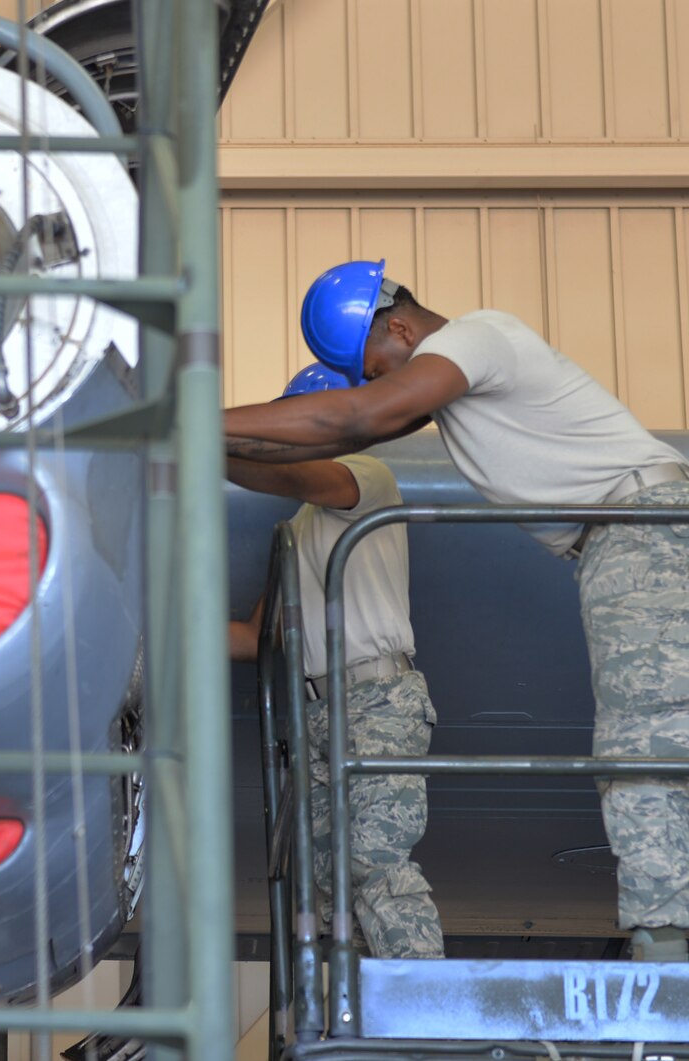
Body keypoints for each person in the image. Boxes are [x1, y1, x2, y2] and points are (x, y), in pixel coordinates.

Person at [223, 261, 689, 965]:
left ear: (400, 326)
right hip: (668, 526)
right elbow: (337, 434)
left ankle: (659, 948)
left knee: (641, 750)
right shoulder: (458, 387)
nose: (375, 387)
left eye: (374, 368)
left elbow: (353, 417)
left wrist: (185, 420)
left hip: (638, 529)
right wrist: (204, 445)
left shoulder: (476, 337)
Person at [230, 361, 444, 959]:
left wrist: (201, 447)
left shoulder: (364, 478)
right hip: (318, 715)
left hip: (375, 700)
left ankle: (424, 1013)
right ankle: (369, 1021)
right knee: (329, 882)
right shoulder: (298, 529)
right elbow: (255, 637)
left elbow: (296, 475)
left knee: (374, 861)